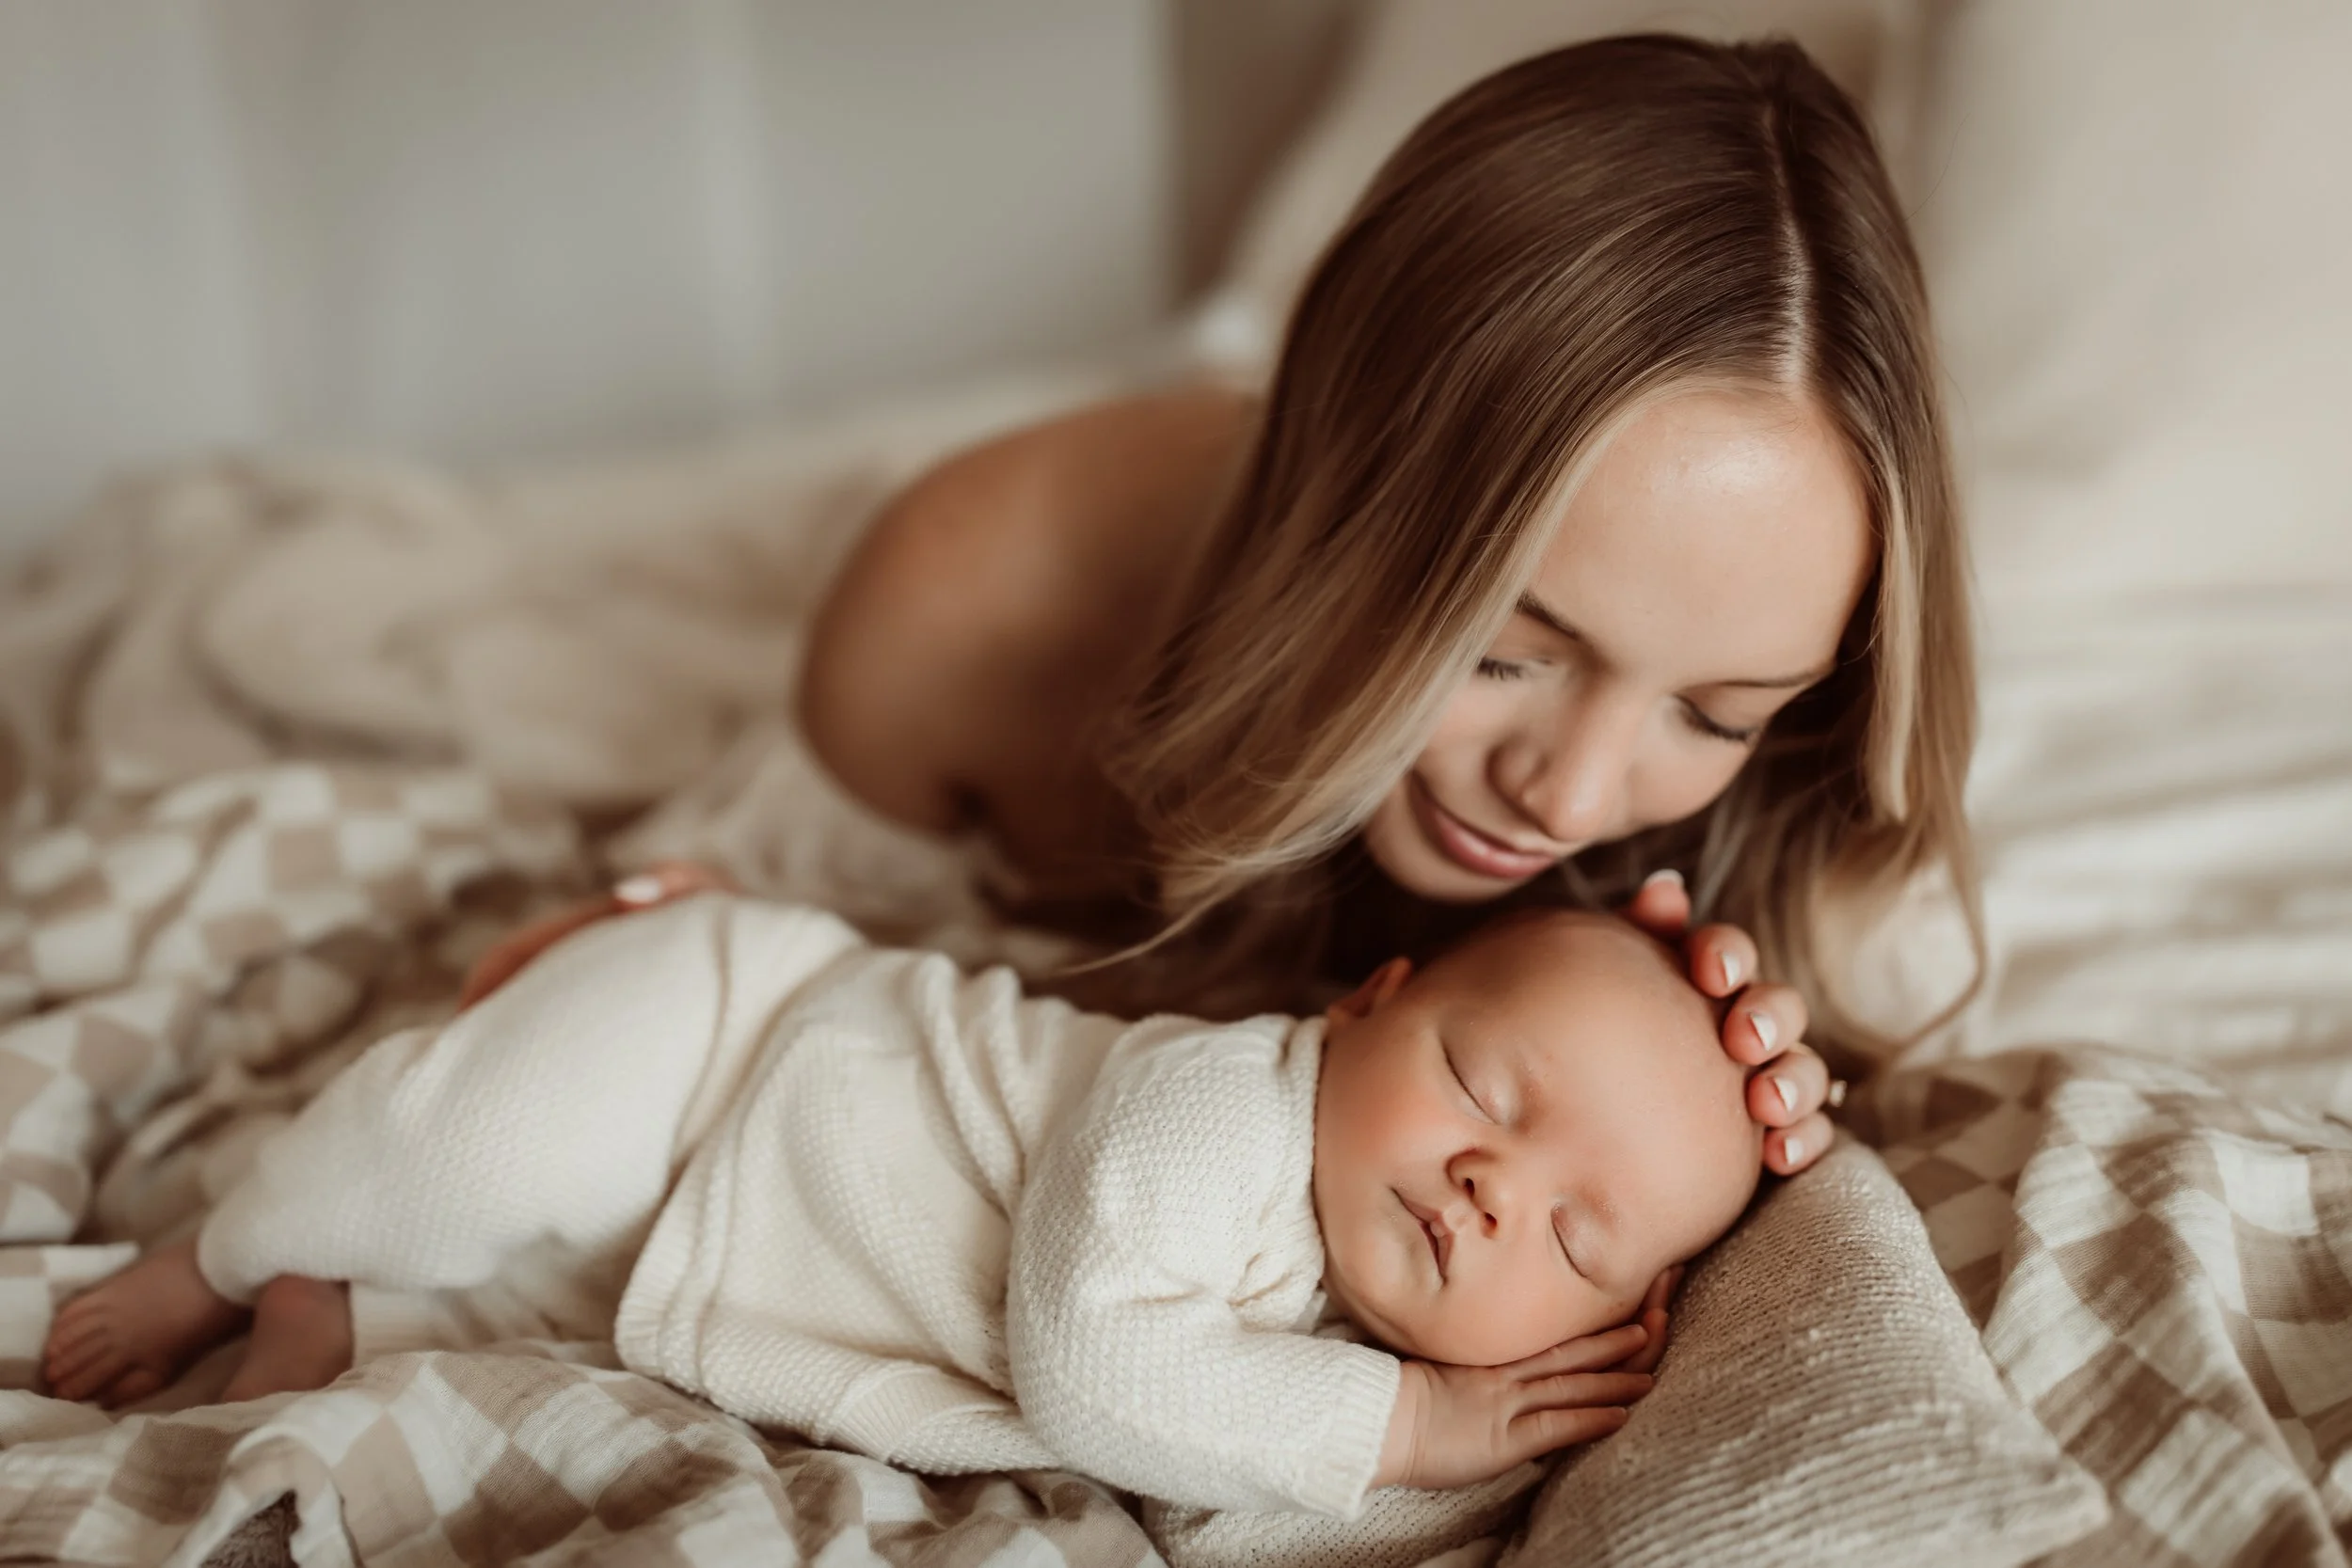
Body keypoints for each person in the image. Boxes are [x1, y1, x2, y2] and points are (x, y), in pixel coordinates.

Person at [482, 33, 1982, 1184]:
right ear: (1346, 488)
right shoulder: (960, 614)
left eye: (1714, 710)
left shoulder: (1800, 759)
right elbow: (711, 970)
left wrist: (1742, 1109)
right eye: (1505, 648)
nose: (1574, 793)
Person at [41, 894, 1756, 1524]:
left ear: (1618, 1317)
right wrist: (1413, 1422)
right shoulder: (1228, 1105)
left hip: (741, 1233)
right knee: (474, 1148)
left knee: (566, 1293)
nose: (1491, 1181)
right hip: (737, 1034)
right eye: (1484, 1087)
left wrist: (1437, 1445)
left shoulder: (1354, 1300)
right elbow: (1098, 1373)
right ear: (1368, 1001)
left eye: (1575, 1237)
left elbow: (1256, 1478)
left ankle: (348, 1321)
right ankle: (220, 1252)